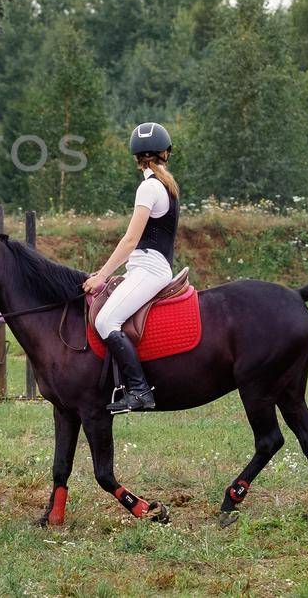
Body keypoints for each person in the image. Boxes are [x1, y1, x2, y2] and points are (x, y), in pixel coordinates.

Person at [81, 122, 180, 414]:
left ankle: (139, 392)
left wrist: (101, 275)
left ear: (136, 157)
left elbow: (130, 240)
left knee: (105, 321)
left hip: (150, 269)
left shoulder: (149, 187)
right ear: (166, 153)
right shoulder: (166, 184)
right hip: (147, 267)